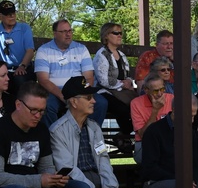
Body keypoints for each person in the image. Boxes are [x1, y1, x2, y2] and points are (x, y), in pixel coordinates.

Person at [34, 19, 104, 126]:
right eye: (64, 32)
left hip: (79, 91)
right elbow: (43, 80)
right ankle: (55, 139)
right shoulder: (44, 50)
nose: (68, 34)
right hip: (55, 92)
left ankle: (89, 136)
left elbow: (89, 77)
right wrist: (64, 96)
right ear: (55, 33)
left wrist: (82, 94)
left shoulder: (81, 49)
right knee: (47, 106)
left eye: (70, 31)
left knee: (101, 103)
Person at [92, 22, 137, 150]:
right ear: (106, 36)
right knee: (122, 109)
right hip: (104, 91)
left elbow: (126, 74)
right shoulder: (101, 55)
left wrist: (128, 81)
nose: (119, 35)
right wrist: (123, 84)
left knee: (139, 105)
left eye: (120, 33)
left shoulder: (121, 55)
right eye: (116, 33)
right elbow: (103, 80)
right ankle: (124, 137)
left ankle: (123, 135)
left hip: (121, 91)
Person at [0, 0, 35, 86]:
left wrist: (22, 66)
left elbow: (30, 50)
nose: (12, 16)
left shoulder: (24, 28)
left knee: (20, 80)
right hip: (2, 70)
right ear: (0, 17)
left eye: (13, 13)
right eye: (8, 14)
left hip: (23, 69)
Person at [131, 72, 174, 165]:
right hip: (145, 142)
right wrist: (155, 110)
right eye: (155, 91)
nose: (159, 94)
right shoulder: (136, 103)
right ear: (146, 90)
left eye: (162, 89)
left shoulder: (172, 99)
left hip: (169, 141)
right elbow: (144, 135)